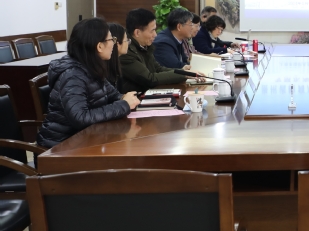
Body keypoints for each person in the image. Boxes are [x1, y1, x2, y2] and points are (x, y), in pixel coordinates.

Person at [37, 18, 140, 148]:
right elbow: (80, 117)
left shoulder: (91, 67)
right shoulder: (73, 75)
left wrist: (125, 98)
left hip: (86, 138)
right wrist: (124, 105)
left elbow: (114, 95)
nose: (114, 44)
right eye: (111, 40)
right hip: (61, 146)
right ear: (99, 46)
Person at [120, 8, 199, 93]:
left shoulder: (145, 46)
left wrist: (183, 72)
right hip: (136, 97)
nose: (155, 35)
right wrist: (184, 74)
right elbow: (149, 78)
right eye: (152, 31)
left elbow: (158, 69)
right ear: (137, 33)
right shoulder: (126, 51)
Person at [107, 22, 130, 91]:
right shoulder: (104, 70)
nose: (128, 43)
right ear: (117, 44)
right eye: (126, 40)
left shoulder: (115, 64)